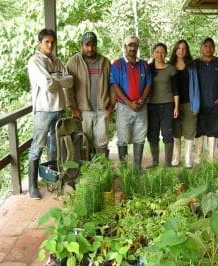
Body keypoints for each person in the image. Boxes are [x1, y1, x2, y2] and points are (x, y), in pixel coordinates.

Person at [27, 28, 72, 199]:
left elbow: (70, 81)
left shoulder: (57, 61)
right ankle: (32, 187)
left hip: (59, 109)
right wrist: (58, 79)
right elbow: (47, 84)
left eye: (52, 42)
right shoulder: (35, 61)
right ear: (40, 43)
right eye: (46, 42)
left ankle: (51, 181)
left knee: (54, 147)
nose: (50, 45)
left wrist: (55, 79)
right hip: (43, 110)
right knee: (37, 147)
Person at [66, 32, 113, 157]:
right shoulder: (74, 62)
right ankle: (87, 173)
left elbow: (112, 85)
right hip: (83, 111)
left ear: (96, 45)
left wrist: (111, 106)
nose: (90, 48)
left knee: (101, 144)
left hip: (102, 110)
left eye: (93, 45)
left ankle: (102, 171)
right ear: (82, 45)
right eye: (87, 45)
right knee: (84, 142)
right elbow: (67, 87)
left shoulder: (105, 62)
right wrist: (73, 108)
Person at [110, 35, 152, 171]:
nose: (132, 48)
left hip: (141, 106)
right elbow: (115, 85)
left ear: (137, 47)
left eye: (135, 45)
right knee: (123, 136)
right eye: (130, 45)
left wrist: (141, 100)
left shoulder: (144, 65)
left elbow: (148, 84)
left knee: (140, 136)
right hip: (123, 107)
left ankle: (137, 167)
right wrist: (129, 103)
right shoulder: (117, 64)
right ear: (125, 47)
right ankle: (124, 169)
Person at [194, 37, 218, 163]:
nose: (208, 48)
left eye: (211, 46)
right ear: (201, 48)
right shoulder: (195, 64)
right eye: (205, 46)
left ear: (214, 48)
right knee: (198, 130)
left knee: (213, 130)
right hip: (198, 104)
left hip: (215, 103)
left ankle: (210, 157)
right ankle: (198, 157)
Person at [147, 43, 179, 168]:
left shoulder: (171, 69)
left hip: (167, 105)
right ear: (153, 53)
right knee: (152, 134)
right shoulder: (148, 68)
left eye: (162, 52)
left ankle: (167, 164)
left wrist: (176, 107)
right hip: (151, 106)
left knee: (167, 134)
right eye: (157, 52)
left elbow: (176, 89)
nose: (160, 55)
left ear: (166, 53)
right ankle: (155, 162)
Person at [169, 39, 200, 168]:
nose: (181, 51)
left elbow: (196, 86)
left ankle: (188, 157)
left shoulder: (191, 66)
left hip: (189, 103)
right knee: (176, 131)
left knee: (189, 130)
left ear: (186, 51)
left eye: (184, 49)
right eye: (179, 48)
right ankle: (176, 156)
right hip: (172, 104)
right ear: (175, 50)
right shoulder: (169, 66)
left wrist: (196, 105)